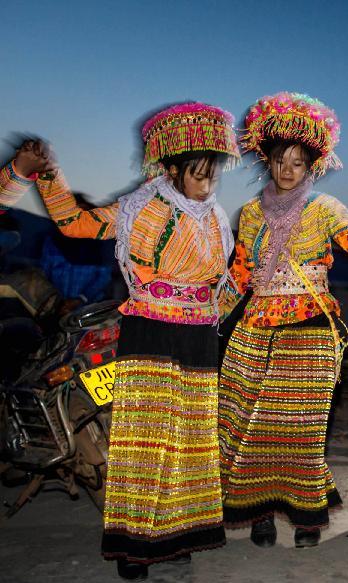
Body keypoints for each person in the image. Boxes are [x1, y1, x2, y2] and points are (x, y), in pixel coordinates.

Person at [30, 102, 241, 579]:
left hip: (199, 337)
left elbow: (220, 285)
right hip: (150, 330)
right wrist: (49, 178)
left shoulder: (215, 219)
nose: (206, 184)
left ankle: (177, 535)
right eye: (197, 174)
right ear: (170, 169)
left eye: (212, 175)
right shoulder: (137, 208)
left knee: (191, 439)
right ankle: (134, 545)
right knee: (146, 438)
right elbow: (75, 225)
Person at [217, 92, 348, 549]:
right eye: (280, 161)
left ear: (311, 166)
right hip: (257, 327)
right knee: (254, 422)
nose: (288, 170)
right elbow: (240, 272)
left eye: (298, 162)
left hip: (310, 326)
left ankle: (307, 515)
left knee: (302, 429)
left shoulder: (325, 208)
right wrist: (208, 314)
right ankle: (262, 514)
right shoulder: (252, 213)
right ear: (268, 163)